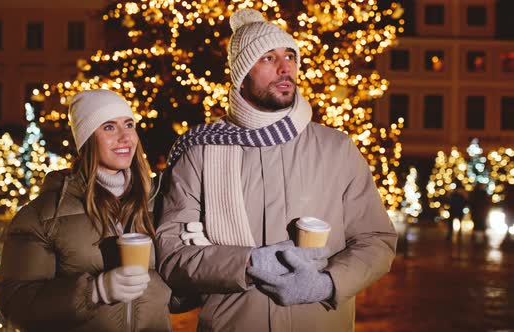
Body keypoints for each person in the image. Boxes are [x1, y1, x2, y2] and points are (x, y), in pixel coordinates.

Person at [155, 9, 397, 331]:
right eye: (268, 59)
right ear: (241, 75)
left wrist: (328, 283)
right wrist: (248, 263)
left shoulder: (336, 148)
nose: (286, 68)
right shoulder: (201, 151)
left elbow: (376, 240)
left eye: (290, 57)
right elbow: (172, 255)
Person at [0, 90, 171, 331]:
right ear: (87, 138)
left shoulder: (159, 203)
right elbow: (14, 302)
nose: (125, 137)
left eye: (128, 124)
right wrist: (95, 291)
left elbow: (178, 298)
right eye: (109, 127)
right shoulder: (45, 215)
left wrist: (192, 256)